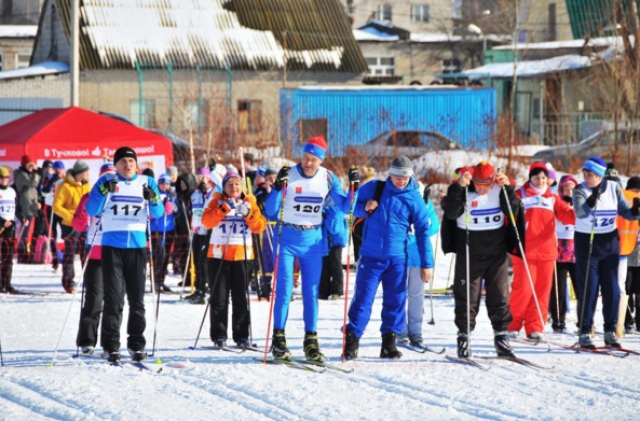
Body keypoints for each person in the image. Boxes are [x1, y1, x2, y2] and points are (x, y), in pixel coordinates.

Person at [264, 136, 356, 361]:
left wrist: (354, 188)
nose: (308, 163)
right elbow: (270, 211)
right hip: (287, 239)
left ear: (321, 160)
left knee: (311, 294)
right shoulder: (289, 173)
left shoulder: (327, 177)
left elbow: (345, 206)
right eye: (305, 157)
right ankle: (279, 340)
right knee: (284, 292)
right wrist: (277, 188)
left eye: (313, 159)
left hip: (313, 242)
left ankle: (311, 341)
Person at [343, 156, 433, 360]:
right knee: (363, 300)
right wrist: (364, 208)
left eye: (405, 177)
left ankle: (388, 344)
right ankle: (352, 341)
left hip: (398, 260)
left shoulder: (414, 198)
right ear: (390, 174)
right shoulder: (376, 188)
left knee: (395, 301)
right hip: (370, 257)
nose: (401, 181)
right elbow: (349, 206)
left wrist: (427, 264)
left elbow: (422, 232)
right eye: (397, 176)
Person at [86, 146, 164, 363]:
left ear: (136, 165)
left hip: (137, 247)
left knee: (137, 300)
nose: (127, 165)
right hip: (112, 246)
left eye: (131, 162)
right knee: (114, 298)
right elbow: (91, 210)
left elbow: (158, 212)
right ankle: (111, 345)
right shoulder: (107, 181)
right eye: (122, 162)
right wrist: (103, 192)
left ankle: (136, 344)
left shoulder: (146, 182)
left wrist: (154, 199)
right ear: (116, 165)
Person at [441, 161, 521, 358]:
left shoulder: (500, 189)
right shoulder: (461, 189)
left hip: (496, 253)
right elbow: (451, 212)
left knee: (500, 296)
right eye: (478, 184)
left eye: (486, 184)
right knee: (466, 297)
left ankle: (501, 338)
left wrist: (508, 190)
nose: (482, 188)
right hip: (469, 253)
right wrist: (460, 188)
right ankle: (464, 337)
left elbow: (515, 210)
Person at [573, 157, 640, 349]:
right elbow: (580, 213)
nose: (586, 177)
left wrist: (635, 211)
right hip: (587, 244)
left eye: (591, 174)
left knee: (612, 288)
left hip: (609, 244)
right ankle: (585, 330)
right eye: (585, 173)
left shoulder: (613, 188)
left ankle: (610, 330)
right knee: (589, 289)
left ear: (600, 176)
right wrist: (590, 202)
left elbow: (625, 213)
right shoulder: (580, 190)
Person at [508, 162, 575, 340]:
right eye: (536, 177)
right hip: (524, 250)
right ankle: (513, 325)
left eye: (544, 178)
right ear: (530, 178)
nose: (540, 181)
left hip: (547, 251)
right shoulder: (520, 195)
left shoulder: (552, 197)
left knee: (542, 290)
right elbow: (508, 217)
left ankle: (535, 326)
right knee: (522, 289)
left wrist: (582, 208)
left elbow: (568, 215)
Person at [201, 172, 266, 348]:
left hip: (242, 256)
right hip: (218, 256)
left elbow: (260, 225)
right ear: (224, 186)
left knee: (240, 298)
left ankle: (242, 336)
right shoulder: (216, 200)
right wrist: (223, 209)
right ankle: (219, 336)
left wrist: (248, 213)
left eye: (237, 184)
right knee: (219, 298)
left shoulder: (249, 202)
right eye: (230, 184)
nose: (234, 187)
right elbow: (206, 221)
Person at [74, 162, 117, 354]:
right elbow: (78, 225)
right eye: (105, 177)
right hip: (95, 253)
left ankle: (110, 343)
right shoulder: (89, 197)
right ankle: (87, 340)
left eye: (112, 176)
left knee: (114, 300)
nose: (109, 180)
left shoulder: (121, 197)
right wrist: (84, 210)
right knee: (94, 298)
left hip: (116, 252)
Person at [398, 183, 440, 347]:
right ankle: (400, 331)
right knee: (399, 295)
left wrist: (421, 226)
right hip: (399, 257)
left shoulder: (426, 206)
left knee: (416, 296)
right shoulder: (400, 204)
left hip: (419, 258)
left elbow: (434, 227)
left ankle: (416, 331)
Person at [53, 160, 91, 293]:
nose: (88, 174)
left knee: (86, 254)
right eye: (86, 171)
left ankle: (90, 281)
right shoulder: (65, 186)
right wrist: (72, 217)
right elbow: (56, 207)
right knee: (70, 255)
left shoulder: (87, 186)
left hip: (86, 225)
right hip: (70, 226)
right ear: (79, 172)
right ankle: (69, 282)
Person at [550, 174, 579, 333]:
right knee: (558, 288)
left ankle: (584, 320)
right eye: (566, 189)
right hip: (559, 249)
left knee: (580, 287)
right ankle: (558, 320)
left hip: (576, 249)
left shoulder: (581, 203)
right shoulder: (557, 203)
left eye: (572, 189)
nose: (569, 191)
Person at [185, 168, 215, 304]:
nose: (201, 179)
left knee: (204, 261)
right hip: (197, 230)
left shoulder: (212, 192)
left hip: (208, 230)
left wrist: (205, 193)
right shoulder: (195, 193)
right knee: (196, 260)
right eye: (199, 177)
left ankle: (204, 289)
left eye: (204, 177)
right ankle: (198, 289)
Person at [150, 173, 177, 292]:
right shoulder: (155, 195)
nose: (165, 186)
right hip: (156, 229)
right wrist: (161, 209)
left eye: (167, 184)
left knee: (166, 256)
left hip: (169, 229)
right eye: (162, 183)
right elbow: (150, 212)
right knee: (158, 256)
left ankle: (161, 280)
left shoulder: (173, 195)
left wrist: (174, 208)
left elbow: (177, 210)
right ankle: (155, 281)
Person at [13, 155, 41, 262]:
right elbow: (33, 183)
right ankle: (22, 254)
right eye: (30, 165)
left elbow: (33, 189)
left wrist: (37, 201)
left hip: (31, 206)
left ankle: (29, 253)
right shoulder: (20, 174)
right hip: (24, 207)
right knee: (25, 231)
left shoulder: (28, 174)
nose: (32, 167)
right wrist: (36, 172)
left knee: (30, 232)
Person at [319, 201, 347, 300]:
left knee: (336, 264)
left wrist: (324, 213)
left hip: (335, 241)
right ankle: (323, 291)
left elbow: (334, 227)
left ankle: (336, 291)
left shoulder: (337, 205)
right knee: (324, 265)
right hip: (323, 240)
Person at [41, 160, 65, 271]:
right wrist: (51, 182)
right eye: (56, 169)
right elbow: (44, 192)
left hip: (62, 208)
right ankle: (55, 259)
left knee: (66, 232)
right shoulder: (49, 178)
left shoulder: (66, 179)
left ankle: (66, 256)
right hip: (50, 208)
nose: (58, 171)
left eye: (59, 169)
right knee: (52, 234)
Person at [0, 167, 21, 293]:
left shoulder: (12, 192)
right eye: (2, 177)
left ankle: (7, 283)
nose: (4, 180)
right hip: (1, 225)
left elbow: (17, 208)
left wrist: (23, 218)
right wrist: (2, 222)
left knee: (8, 257)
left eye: (7, 177)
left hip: (9, 228)